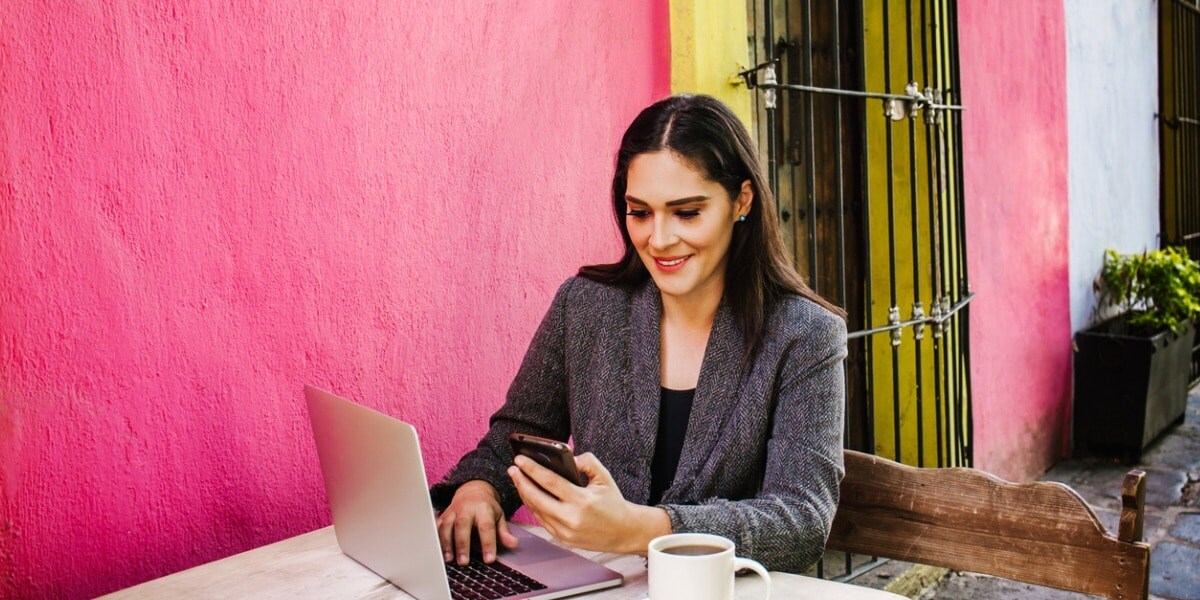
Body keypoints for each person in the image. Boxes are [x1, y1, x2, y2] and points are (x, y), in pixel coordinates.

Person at [429, 94, 847, 574]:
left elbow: (800, 523)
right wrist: (479, 489)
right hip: (600, 587)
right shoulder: (586, 305)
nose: (659, 239)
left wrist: (641, 529)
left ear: (741, 201)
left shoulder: (805, 335)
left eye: (687, 212)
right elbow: (516, 435)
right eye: (639, 212)